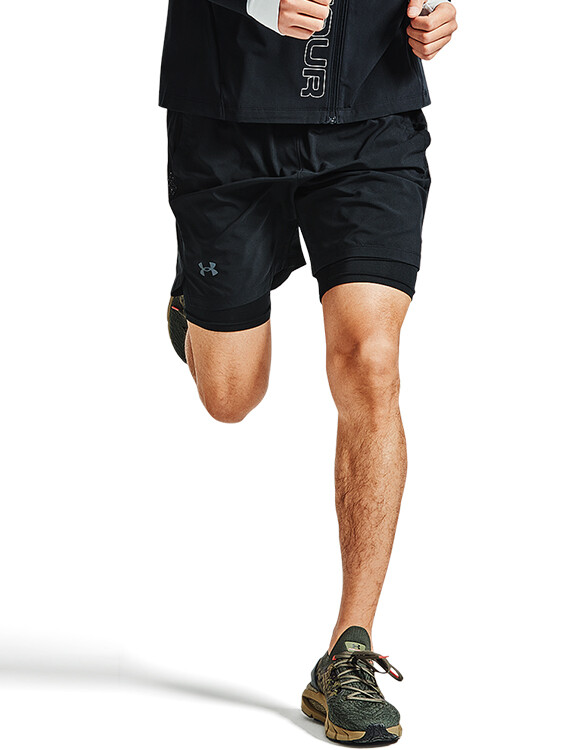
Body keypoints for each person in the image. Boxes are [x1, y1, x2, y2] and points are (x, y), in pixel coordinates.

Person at [160, 0, 458, 742]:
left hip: (371, 117)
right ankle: (198, 300)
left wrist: (434, 7)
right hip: (226, 123)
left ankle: (347, 654)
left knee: (371, 363)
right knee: (231, 396)